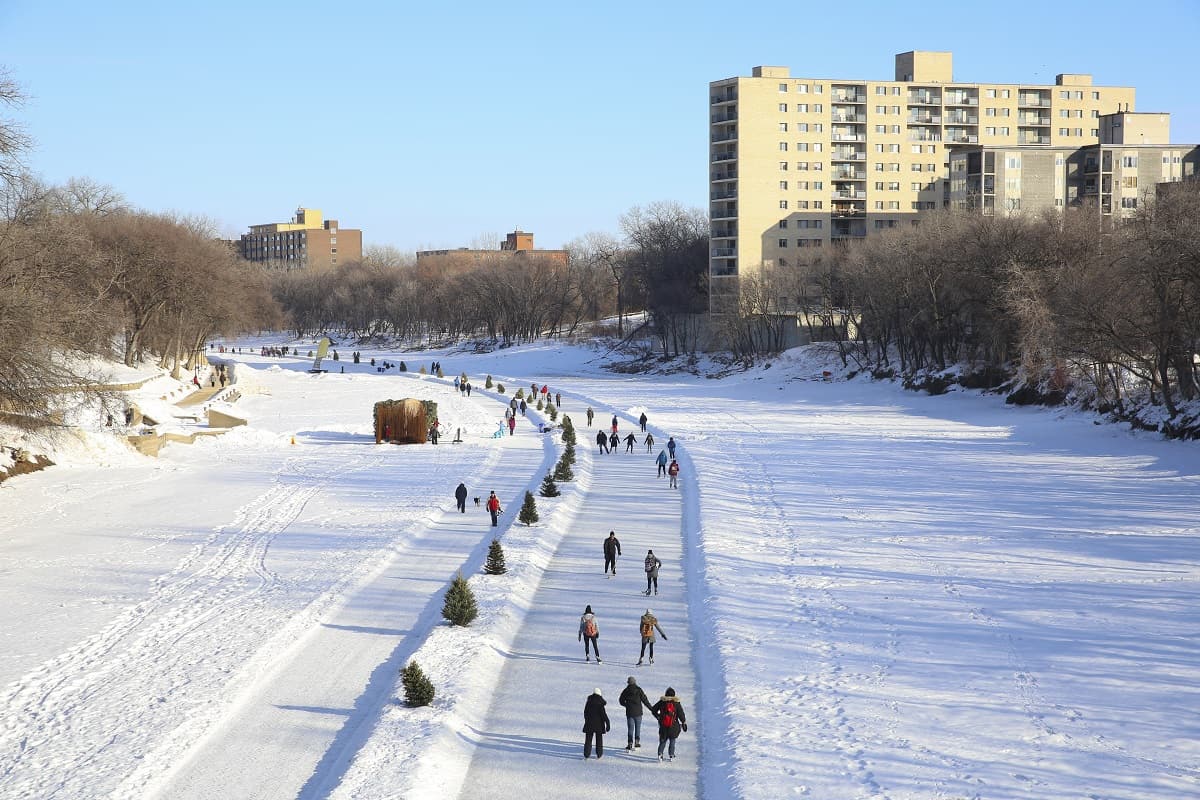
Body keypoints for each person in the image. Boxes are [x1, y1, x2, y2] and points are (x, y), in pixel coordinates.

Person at [619, 676, 654, 751]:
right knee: (638, 728)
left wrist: (626, 705)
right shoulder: (639, 690)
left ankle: (630, 743)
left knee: (630, 729)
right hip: (638, 713)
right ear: (635, 682)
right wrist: (652, 709)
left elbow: (621, 701)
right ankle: (637, 742)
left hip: (629, 713)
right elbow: (645, 700)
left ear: (628, 683)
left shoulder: (625, 691)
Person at [651, 687, 687, 761]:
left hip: (663, 725)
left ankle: (660, 754)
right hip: (673, 726)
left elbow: (653, 710)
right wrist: (684, 722)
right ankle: (671, 755)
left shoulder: (662, 702)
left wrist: (658, 717)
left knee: (663, 741)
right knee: (672, 741)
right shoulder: (676, 703)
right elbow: (681, 714)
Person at [582, 688, 610, 760]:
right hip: (599, 725)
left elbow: (585, 712)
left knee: (588, 740)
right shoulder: (600, 703)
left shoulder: (589, 702)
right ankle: (599, 754)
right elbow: (603, 714)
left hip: (589, 724)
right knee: (599, 740)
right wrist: (607, 723)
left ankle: (586, 755)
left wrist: (587, 720)